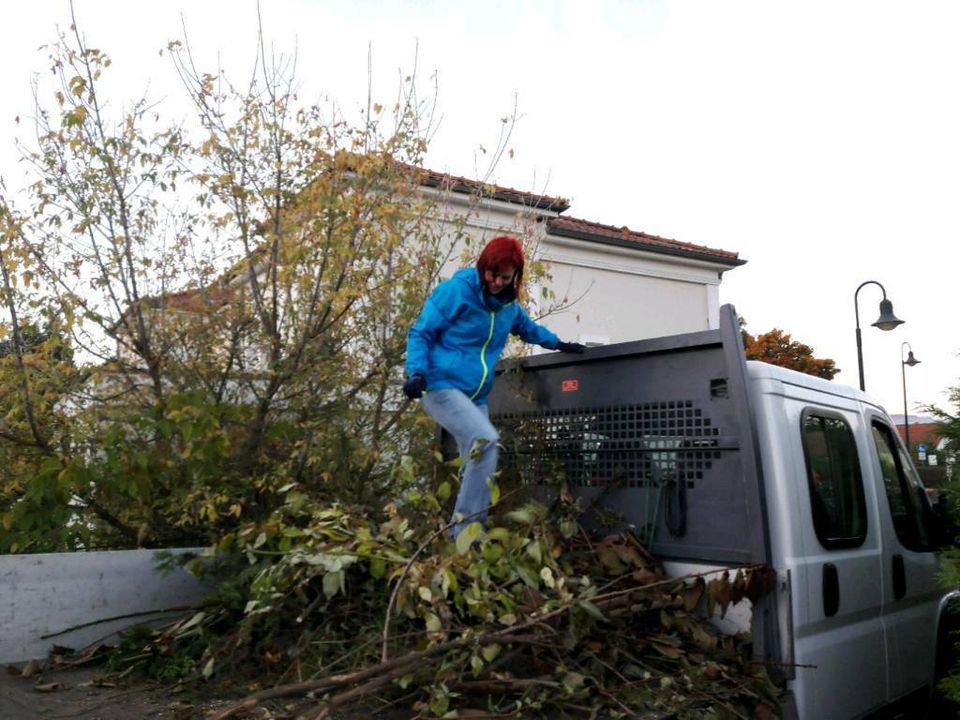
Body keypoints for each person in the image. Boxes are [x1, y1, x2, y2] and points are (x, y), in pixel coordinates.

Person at [403, 236, 586, 537]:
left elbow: (528, 329)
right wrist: (417, 373)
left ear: (515, 276)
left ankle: (451, 536)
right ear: (482, 266)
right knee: (486, 441)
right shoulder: (456, 292)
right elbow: (420, 332)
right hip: (439, 385)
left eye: (504, 277)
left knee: (477, 463)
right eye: (491, 273)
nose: (496, 282)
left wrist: (559, 344)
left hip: (476, 396)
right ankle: (465, 536)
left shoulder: (508, 308)